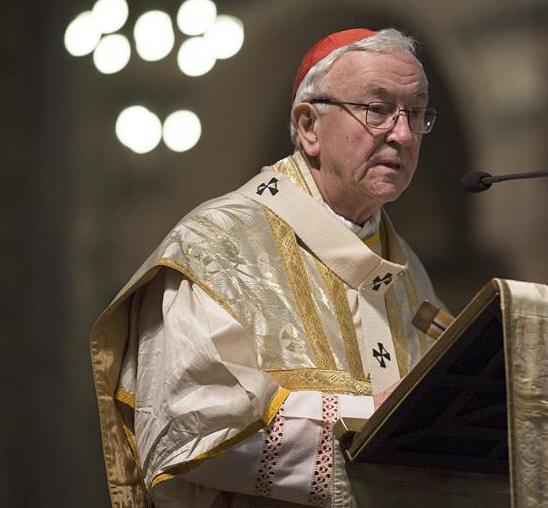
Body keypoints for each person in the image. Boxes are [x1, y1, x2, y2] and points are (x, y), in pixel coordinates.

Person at [90, 28, 442, 507]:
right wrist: (378, 424)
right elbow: (194, 428)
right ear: (309, 127)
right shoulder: (216, 246)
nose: (402, 134)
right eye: (377, 110)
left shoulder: (408, 274)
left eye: (415, 113)